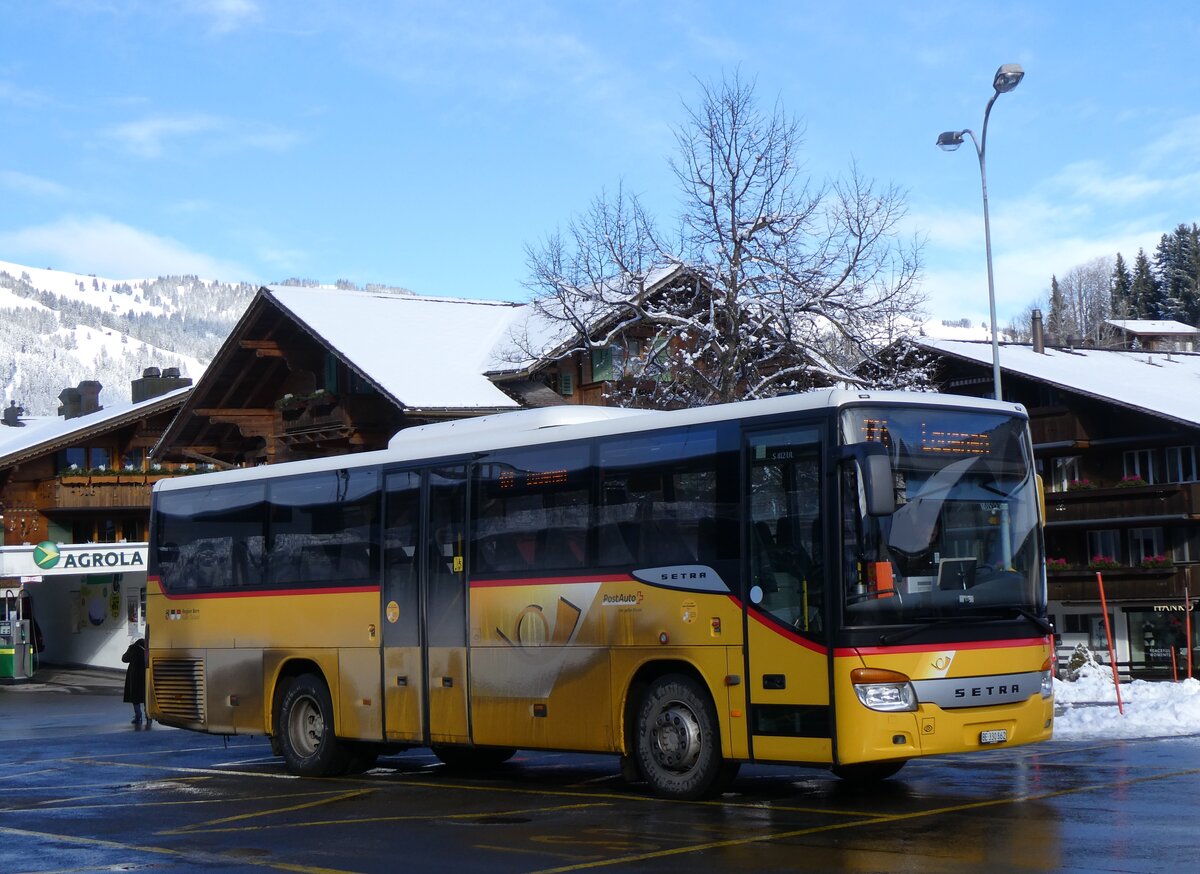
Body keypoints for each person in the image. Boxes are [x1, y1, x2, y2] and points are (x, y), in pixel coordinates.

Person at [122, 638, 149, 726]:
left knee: (135, 697)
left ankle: (138, 716)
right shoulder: (148, 650)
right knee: (146, 697)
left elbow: (124, 659)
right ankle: (148, 716)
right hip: (145, 675)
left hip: (134, 676)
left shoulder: (132, 648)